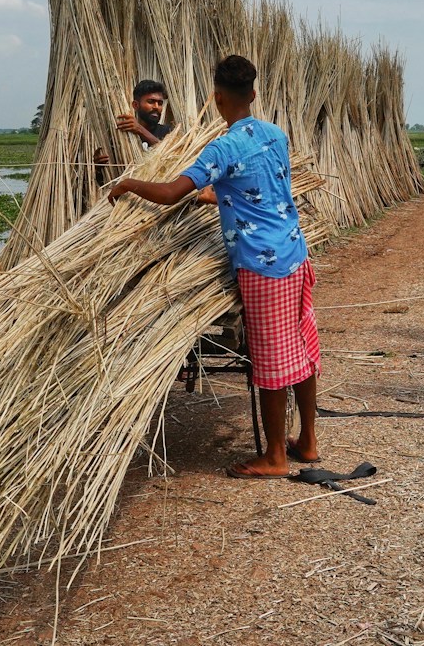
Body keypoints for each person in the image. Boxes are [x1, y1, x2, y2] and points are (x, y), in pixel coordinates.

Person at [107, 55, 320, 478]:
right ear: (254, 94)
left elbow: (169, 192)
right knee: (303, 346)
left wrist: (130, 182)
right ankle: (308, 442)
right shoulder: (276, 135)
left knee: (272, 361)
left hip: (263, 266)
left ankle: (276, 457)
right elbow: (257, 189)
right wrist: (217, 197)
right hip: (296, 253)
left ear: (218, 98)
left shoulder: (222, 148)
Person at [95, 79, 175, 168]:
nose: (157, 107)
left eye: (160, 103)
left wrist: (140, 130)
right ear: (136, 105)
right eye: (151, 101)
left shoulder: (169, 132)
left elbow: (171, 158)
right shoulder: (120, 136)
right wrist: (99, 168)